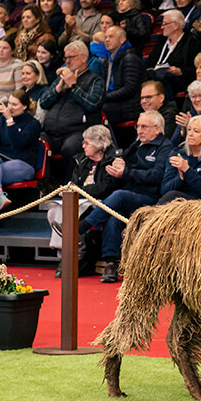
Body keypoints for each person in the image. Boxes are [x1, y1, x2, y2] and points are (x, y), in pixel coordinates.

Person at [77, 110, 174, 283]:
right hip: (130, 195)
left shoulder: (165, 147)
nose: (139, 130)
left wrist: (127, 172)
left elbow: (157, 176)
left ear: (157, 129)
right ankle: (111, 264)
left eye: (144, 126)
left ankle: (81, 228)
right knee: (112, 218)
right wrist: (118, 166)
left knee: (119, 196)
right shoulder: (136, 145)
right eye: (138, 126)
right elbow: (123, 166)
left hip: (151, 198)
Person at [48, 125, 118, 278]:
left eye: (87, 143)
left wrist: (78, 191)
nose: (83, 146)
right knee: (54, 211)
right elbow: (73, 183)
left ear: (99, 144)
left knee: (78, 211)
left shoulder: (112, 160)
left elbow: (105, 188)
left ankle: (77, 256)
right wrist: (68, 190)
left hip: (99, 202)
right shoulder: (81, 160)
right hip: (79, 199)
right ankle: (64, 256)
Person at [39, 41, 105, 179]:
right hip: (51, 132)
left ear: (83, 58)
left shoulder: (95, 80)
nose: (67, 62)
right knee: (36, 143)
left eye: (71, 57)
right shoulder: (60, 79)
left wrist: (74, 86)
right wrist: (58, 89)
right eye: (65, 58)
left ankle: (73, 186)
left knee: (70, 148)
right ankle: (43, 188)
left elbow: (92, 104)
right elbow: (44, 103)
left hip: (77, 131)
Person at [0, 89, 41, 233]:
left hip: (23, 164)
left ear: (24, 106)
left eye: (14, 104)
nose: (10, 107)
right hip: (0, 162)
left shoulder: (33, 124)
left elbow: (18, 143)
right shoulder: (1, 120)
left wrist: (9, 120)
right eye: (9, 103)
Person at [160, 115, 201, 203]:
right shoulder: (178, 153)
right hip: (175, 200)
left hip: (200, 205)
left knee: (172, 196)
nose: (190, 134)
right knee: (171, 196)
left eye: (196, 131)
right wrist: (180, 178)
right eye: (189, 129)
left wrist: (187, 170)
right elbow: (164, 190)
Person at [145, 9, 198, 100]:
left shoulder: (191, 42)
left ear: (175, 25)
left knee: (163, 78)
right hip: (157, 76)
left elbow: (196, 70)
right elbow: (149, 63)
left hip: (179, 80)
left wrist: (180, 71)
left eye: (164, 24)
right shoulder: (161, 42)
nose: (162, 27)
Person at [101, 26, 144, 126]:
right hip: (114, 101)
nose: (106, 40)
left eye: (111, 37)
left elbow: (129, 89)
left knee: (98, 110)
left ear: (122, 39)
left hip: (129, 105)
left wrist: (104, 97)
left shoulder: (130, 58)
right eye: (105, 37)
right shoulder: (107, 60)